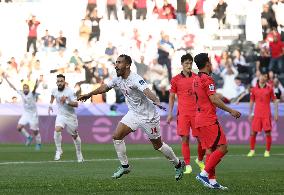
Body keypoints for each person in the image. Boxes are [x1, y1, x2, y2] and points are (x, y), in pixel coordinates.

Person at [78, 54, 185, 180]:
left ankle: (178, 164)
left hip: (148, 116)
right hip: (134, 113)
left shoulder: (135, 79)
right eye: (116, 62)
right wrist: (89, 94)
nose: (116, 65)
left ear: (127, 65)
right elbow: (105, 87)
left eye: (119, 63)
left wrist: (156, 99)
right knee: (116, 137)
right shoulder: (118, 78)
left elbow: (147, 91)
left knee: (158, 145)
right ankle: (125, 166)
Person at [193, 53, 241, 189]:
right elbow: (213, 99)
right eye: (210, 62)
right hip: (208, 119)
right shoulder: (208, 80)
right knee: (223, 148)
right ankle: (203, 174)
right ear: (207, 64)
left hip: (200, 118)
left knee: (211, 150)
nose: (212, 64)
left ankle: (212, 182)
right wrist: (231, 110)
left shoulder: (195, 79)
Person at [167, 53, 205, 175]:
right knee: (185, 139)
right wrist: (170, 113)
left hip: (196, 114)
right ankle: (188, 165)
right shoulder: (175, 80)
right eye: (186, 63)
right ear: (182, 64)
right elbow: (172, 97)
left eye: (190, 63)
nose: (189, 65)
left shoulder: (197, 77)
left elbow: (202, 94)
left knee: (201, 140)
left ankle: (199, 160)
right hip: (183, 114)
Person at [48, 74, 84, 162]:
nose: (59, 83)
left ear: (64, 82)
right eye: (58, 81)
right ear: (56, 82)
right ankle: (59, 150)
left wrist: (66, 101)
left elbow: (76, 104)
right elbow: (52, 96)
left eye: (61, 81)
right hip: (61, 115)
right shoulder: (54, 90)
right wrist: (50, 105)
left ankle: (79, 154)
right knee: (57, 129)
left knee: (74, 136)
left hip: (71, 116)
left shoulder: (70, 92)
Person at [2, 73, 41, 150]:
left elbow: (35, 89)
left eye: (26, 88)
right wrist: (6, 79)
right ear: (23, 89)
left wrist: (37, 83)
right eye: (24, 88)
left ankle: (38, 144)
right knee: (19, 127)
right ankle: (29, 137)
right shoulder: (21, 93)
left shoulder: (32, 94)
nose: (25, 89)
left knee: (35, 130)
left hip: (33, 114)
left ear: (28, 89)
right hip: (26, 114)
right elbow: (12, 87)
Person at [247, 72, 278, 158]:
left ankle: (267, 151)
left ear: (267, 78)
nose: (262, 77)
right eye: (261, 76)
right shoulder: (254, 89)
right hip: (257, 114)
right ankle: (252, 151)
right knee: (253, 133)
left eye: (265, 76)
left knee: (268, 133)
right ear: (259, 77)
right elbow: (252, 101)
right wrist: (250, 113)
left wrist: (276, 113)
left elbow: (275, 101)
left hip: (266, 114)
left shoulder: (270, 88)